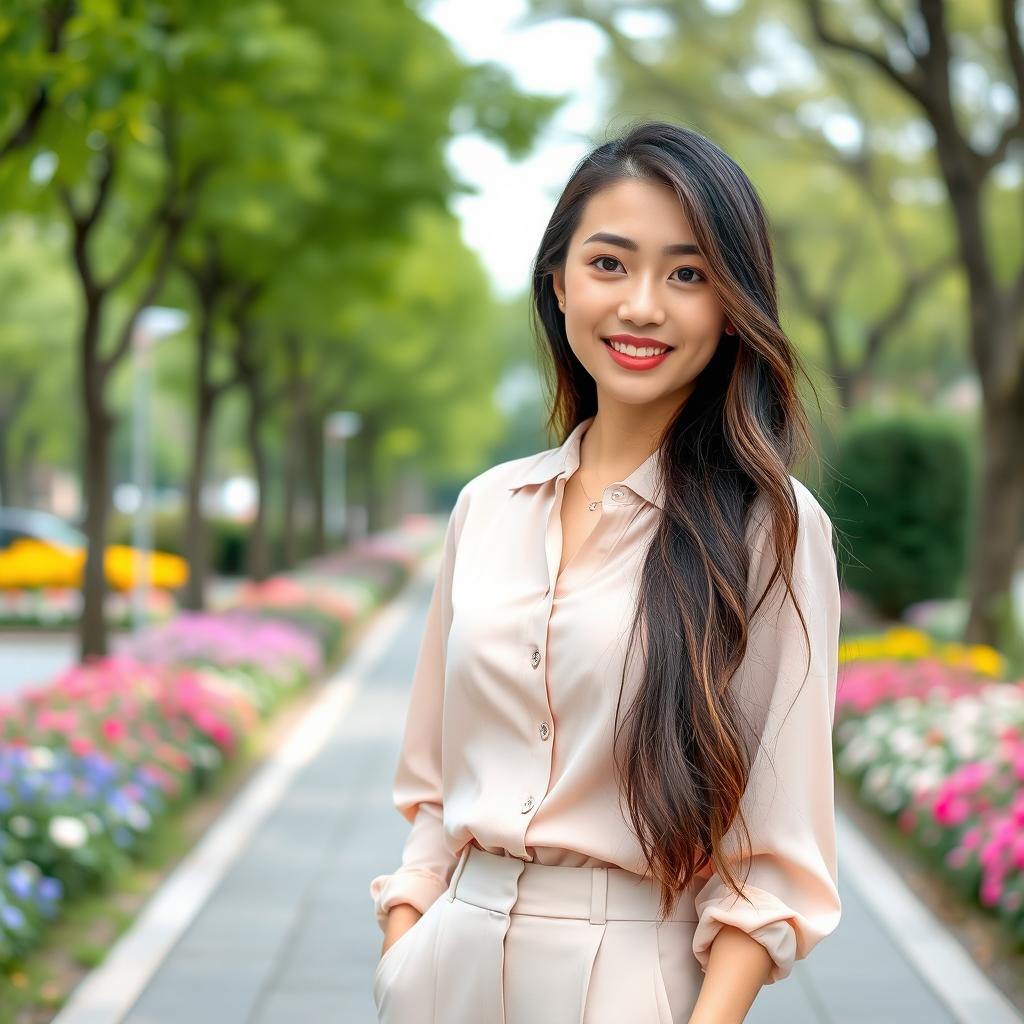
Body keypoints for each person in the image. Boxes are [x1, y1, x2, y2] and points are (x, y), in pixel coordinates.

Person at [369, 119, 842, 1024]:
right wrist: (405, 940)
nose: (642, 307)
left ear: (733, 301)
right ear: (558, 282)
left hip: (626, 979)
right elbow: (431, 779)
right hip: (444, 973)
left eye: (689, 274)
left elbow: (774, 856)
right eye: (611, 264)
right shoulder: (487, 508)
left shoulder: (765, 529)